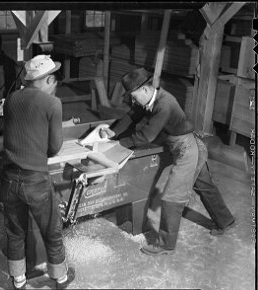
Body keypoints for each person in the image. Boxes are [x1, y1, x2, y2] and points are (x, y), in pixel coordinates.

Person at [100, 67, 235, 256]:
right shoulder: (147, 98)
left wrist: (118, 145)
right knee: (204, 185)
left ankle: (165, 245)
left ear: (145, 90)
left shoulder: (164, 104)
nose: (132, 100)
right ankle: (226, 221)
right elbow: (131, 116)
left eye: (134, 96)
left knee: (172, 196)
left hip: (187, 148)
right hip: (188, 145)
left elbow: (146, 136)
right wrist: (113, 132)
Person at [0, 55, 75, 289]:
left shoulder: (11, 99)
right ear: (50, 79)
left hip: (9, 179)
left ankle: (18, 280)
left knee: (15, 232)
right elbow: (54, 147)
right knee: (51, 231)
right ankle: (60, 278)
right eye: (55, 82)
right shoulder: (52, 104)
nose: (55, 88)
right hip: (36, 180)